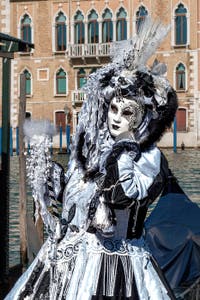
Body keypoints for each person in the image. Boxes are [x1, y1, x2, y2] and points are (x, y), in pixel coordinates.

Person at [5, 18, 178, 300]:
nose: (116, 119)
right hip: (70, 259)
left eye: (126, 113)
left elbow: (122, 197)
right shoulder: (91, 150)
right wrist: (45, 168)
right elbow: (73, 200)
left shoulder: (147, 157)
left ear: (142, 117)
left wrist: (121, 152)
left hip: (120, 263)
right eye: (112, 109)